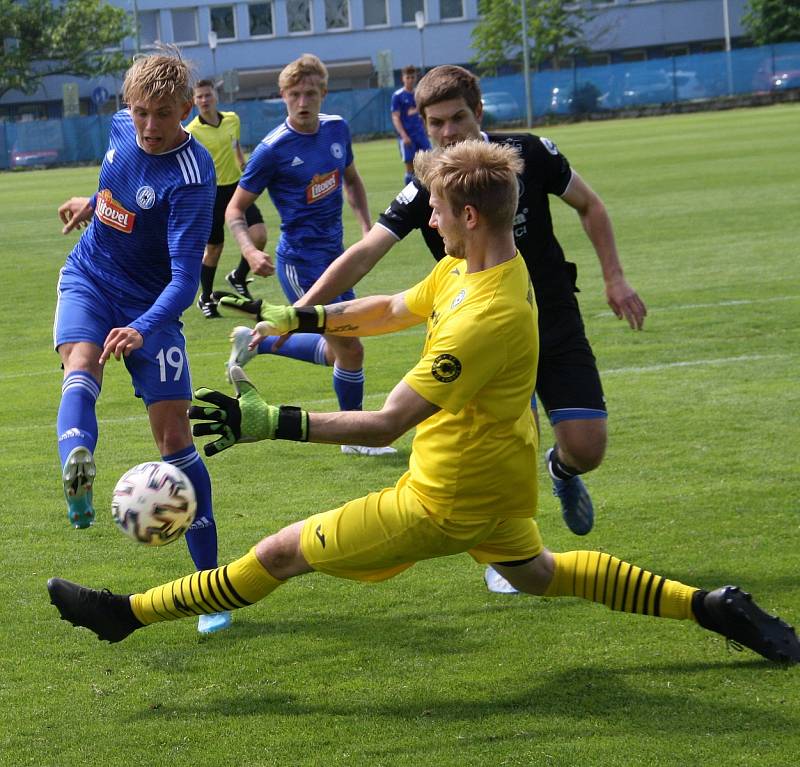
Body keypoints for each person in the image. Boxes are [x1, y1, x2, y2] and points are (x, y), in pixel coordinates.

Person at [47, 141, 800, 667]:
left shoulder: (488, 314)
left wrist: (265, 422)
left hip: (443, 498)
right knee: (544, 572)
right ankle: (714, 606)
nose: (429, 221)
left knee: (279, 552)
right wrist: (298, 317)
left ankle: (127, 615)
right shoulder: (474, 270)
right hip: (502, 482)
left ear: (470, 216)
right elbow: (388, 305)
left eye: (437, 210)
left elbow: (387, 422)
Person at [273, 64, 646, 591]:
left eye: (458, 118)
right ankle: (509, 555)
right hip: (483, 336)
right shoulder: (425, 186)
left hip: (553, 321)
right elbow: (364, 255)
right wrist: (300, 313)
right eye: (435, 124)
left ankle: (560, 472)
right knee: (501, 433)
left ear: (479, 112)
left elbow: (590, 205)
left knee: (587, 450)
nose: (448, 133)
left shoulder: (530, 154)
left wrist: (615, 278)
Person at [54, 50, 231, 634]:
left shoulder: (192, 174)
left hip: (149, 306)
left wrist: (143, 327)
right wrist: (92, 204)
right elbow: (116, 182)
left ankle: (211, 593)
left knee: (174, 437)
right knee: (80, 362)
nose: (149, 127)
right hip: (90, 273)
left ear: (187, 108)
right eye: (139, 112)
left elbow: (184, 281)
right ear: (126, 108)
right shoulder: (120, 128)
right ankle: (76, 471)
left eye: (162, 114)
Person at [222, 53, 395, 457]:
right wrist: (249, 250)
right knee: (352, 347)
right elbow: (234, 208)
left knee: (338, 350)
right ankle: (355, 439)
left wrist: (367, 229)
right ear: (283, 96)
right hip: (300, 264)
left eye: (311, 93)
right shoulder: (272, 150)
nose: (304, 101)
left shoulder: (337, 130)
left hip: (337, 260)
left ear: (324, 94)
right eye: (295, 94)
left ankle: (260, 342)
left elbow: (351, 180)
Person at [185, 79, 267, 318]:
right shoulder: (191, 132)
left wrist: (243, 164)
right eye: (199, 97)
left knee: (259, 235)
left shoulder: (232, 119)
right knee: (214, 249)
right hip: (210, 194)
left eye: (207, 95)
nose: (204, 100)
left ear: (215, 97)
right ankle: (206, 298)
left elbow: (235, 145)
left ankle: (239, 276)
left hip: (237, 188)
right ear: (194, 101)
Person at [391, 65, 431, 184]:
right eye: (407, 77)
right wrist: (404, 136)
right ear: (403, 78)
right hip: (407, 136)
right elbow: (395, 117)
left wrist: (427, 130)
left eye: (412, 77)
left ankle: (427, 191)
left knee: (428, 163)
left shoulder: (420, 94)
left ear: (416, 78)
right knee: (410, 167)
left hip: (421, 135)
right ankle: (410, 195)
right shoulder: (398, 96)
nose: (410, 80)